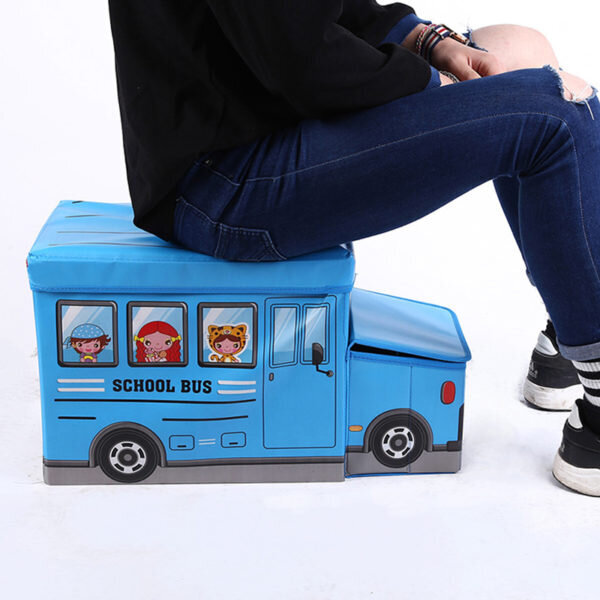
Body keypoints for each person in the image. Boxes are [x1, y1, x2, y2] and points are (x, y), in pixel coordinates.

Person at [107, 1, 600, 496]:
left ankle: (569, 342)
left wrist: (428, 40)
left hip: (263, 116)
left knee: (522, 52)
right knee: (560, 112)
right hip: (226, 183)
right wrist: (434, 83)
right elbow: (302, 61)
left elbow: (311, 16)